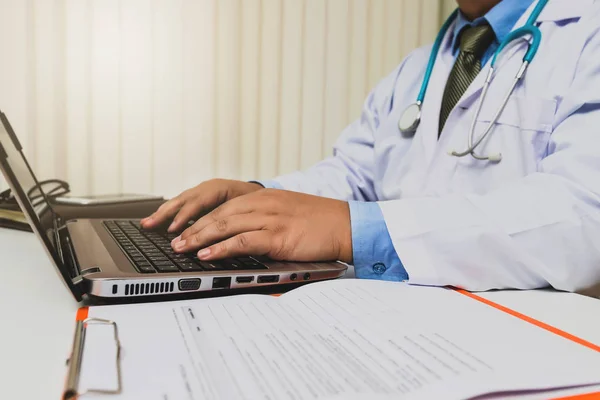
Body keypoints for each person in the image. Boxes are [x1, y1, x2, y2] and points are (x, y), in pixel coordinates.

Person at [142, 0, 600, 295]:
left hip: (528, 337)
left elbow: (584, 214)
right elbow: (356, 173)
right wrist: (260, 196)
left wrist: (357, 230)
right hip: (401, 314)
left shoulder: (586, 37)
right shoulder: (421, 63)